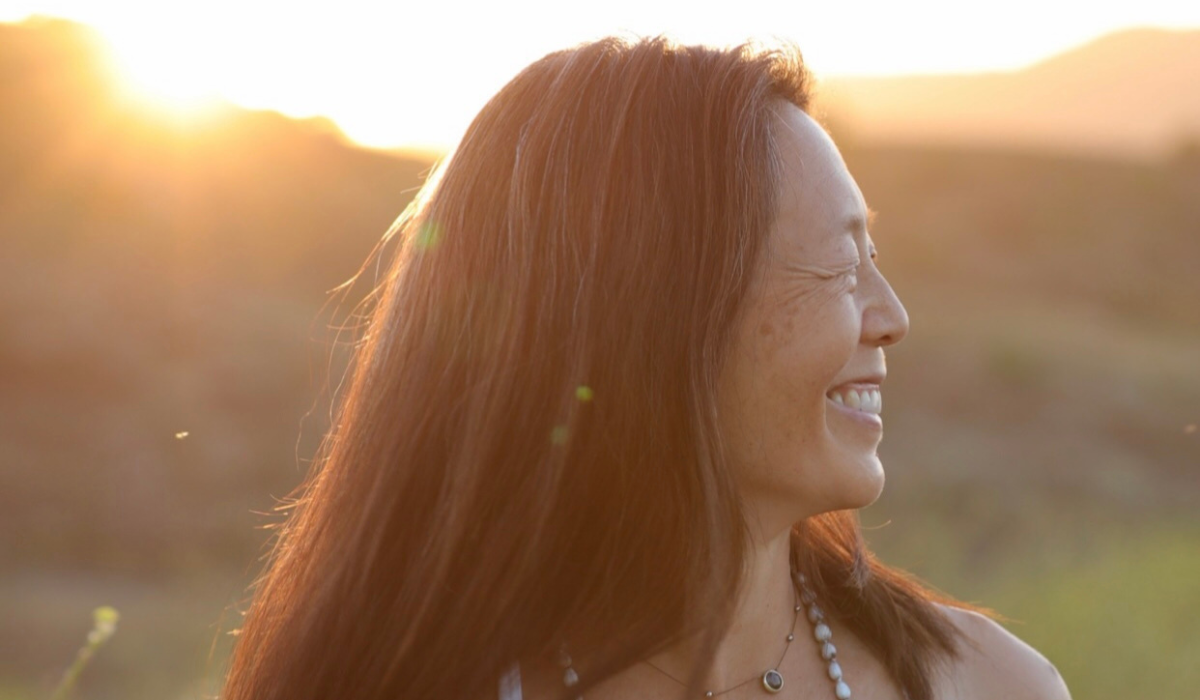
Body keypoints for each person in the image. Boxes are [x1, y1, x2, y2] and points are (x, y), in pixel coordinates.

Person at [221, 36, 1071, 700]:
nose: (892, 319)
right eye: (840, 267)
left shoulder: (992, 688)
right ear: (657, 314)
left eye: (875, 257)